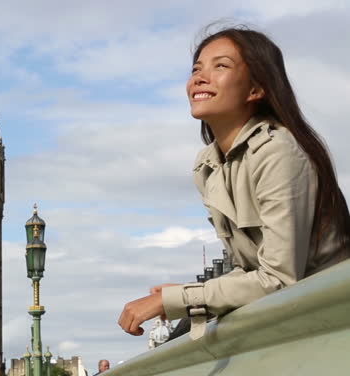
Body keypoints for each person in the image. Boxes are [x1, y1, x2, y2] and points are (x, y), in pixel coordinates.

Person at [118, 26, 350, 337]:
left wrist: (176, 299)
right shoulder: (208, 165)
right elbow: (249, 270)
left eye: (221, 66)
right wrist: (183, 294)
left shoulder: (278, 152)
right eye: (196, 69)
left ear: (256, 89)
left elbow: (279, 280)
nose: (199, 78)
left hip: (331, 318)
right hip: (296, 317)